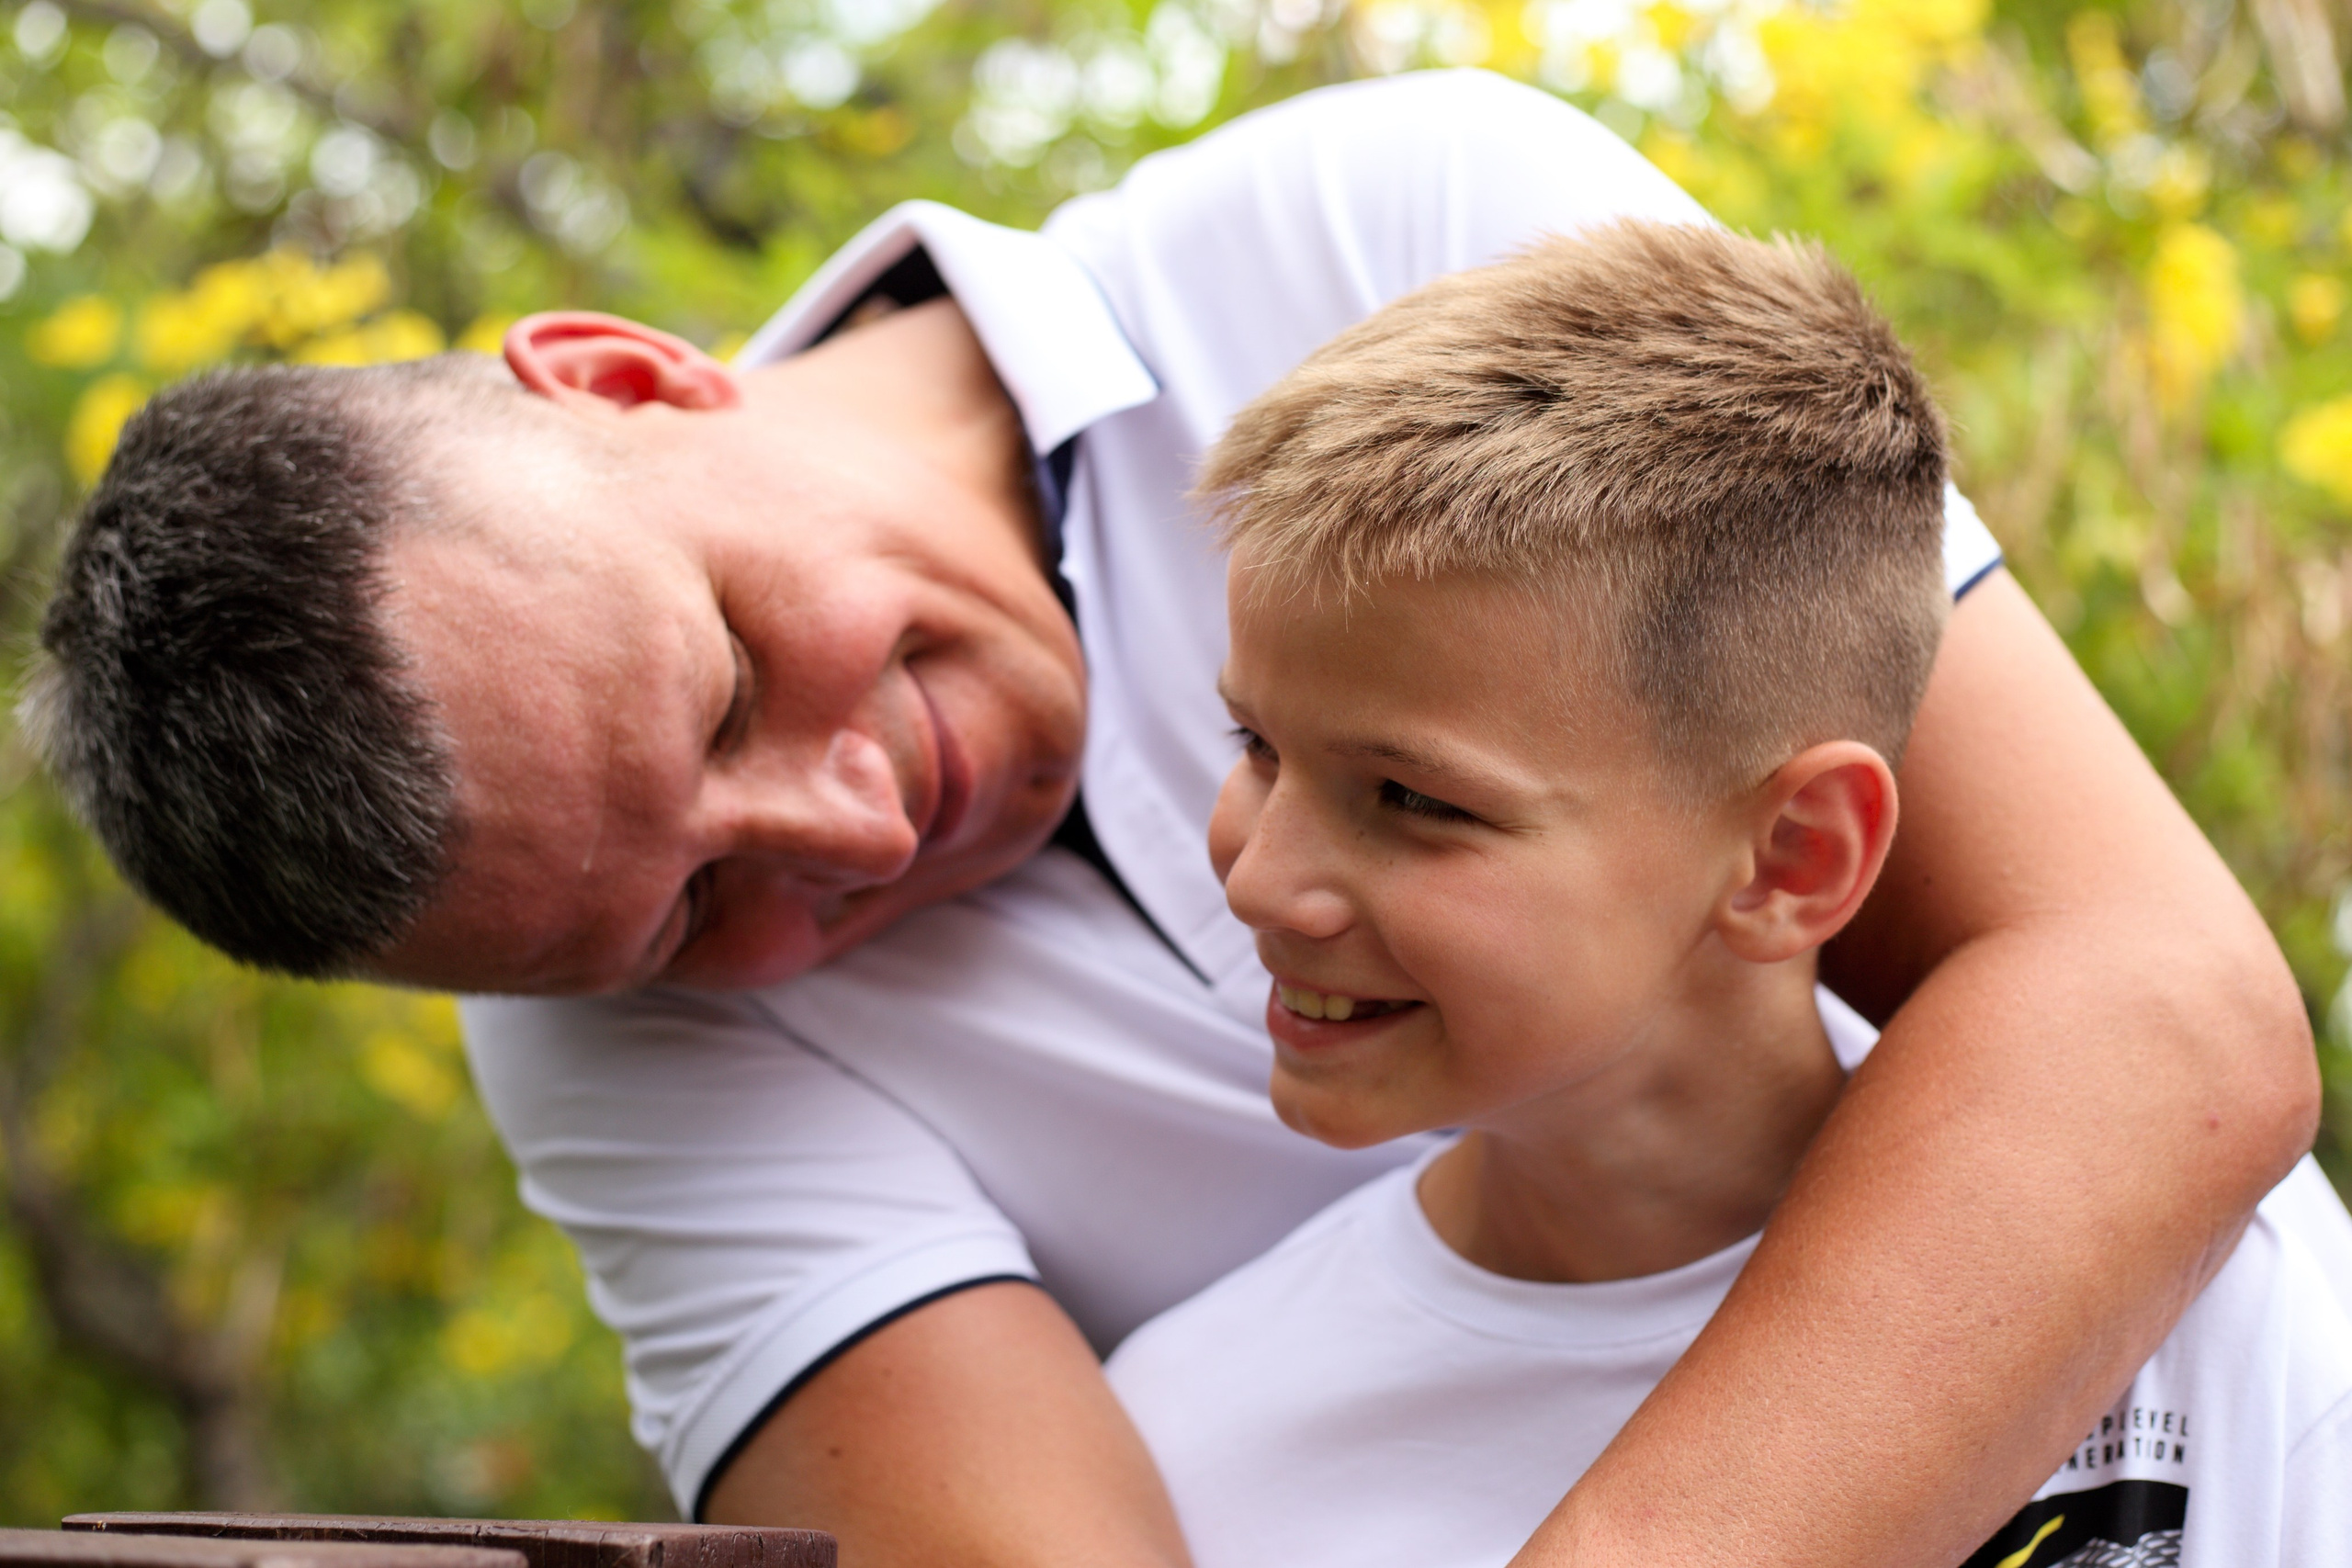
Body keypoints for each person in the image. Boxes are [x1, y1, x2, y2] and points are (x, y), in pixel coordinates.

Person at [21, 70, 2319, 1568]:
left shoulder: (1385, 236)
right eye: (693, 909)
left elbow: (2149, 1016)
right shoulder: (603, 1048)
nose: (846, 822)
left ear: (626, 374)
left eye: (725, 673)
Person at [1102, 219, 2352, 1568]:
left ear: (1792, 858)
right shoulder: (1187, 1441)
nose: (1260, 878)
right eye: (1256, 747)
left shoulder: (2206, 1287)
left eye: (1414, 800)